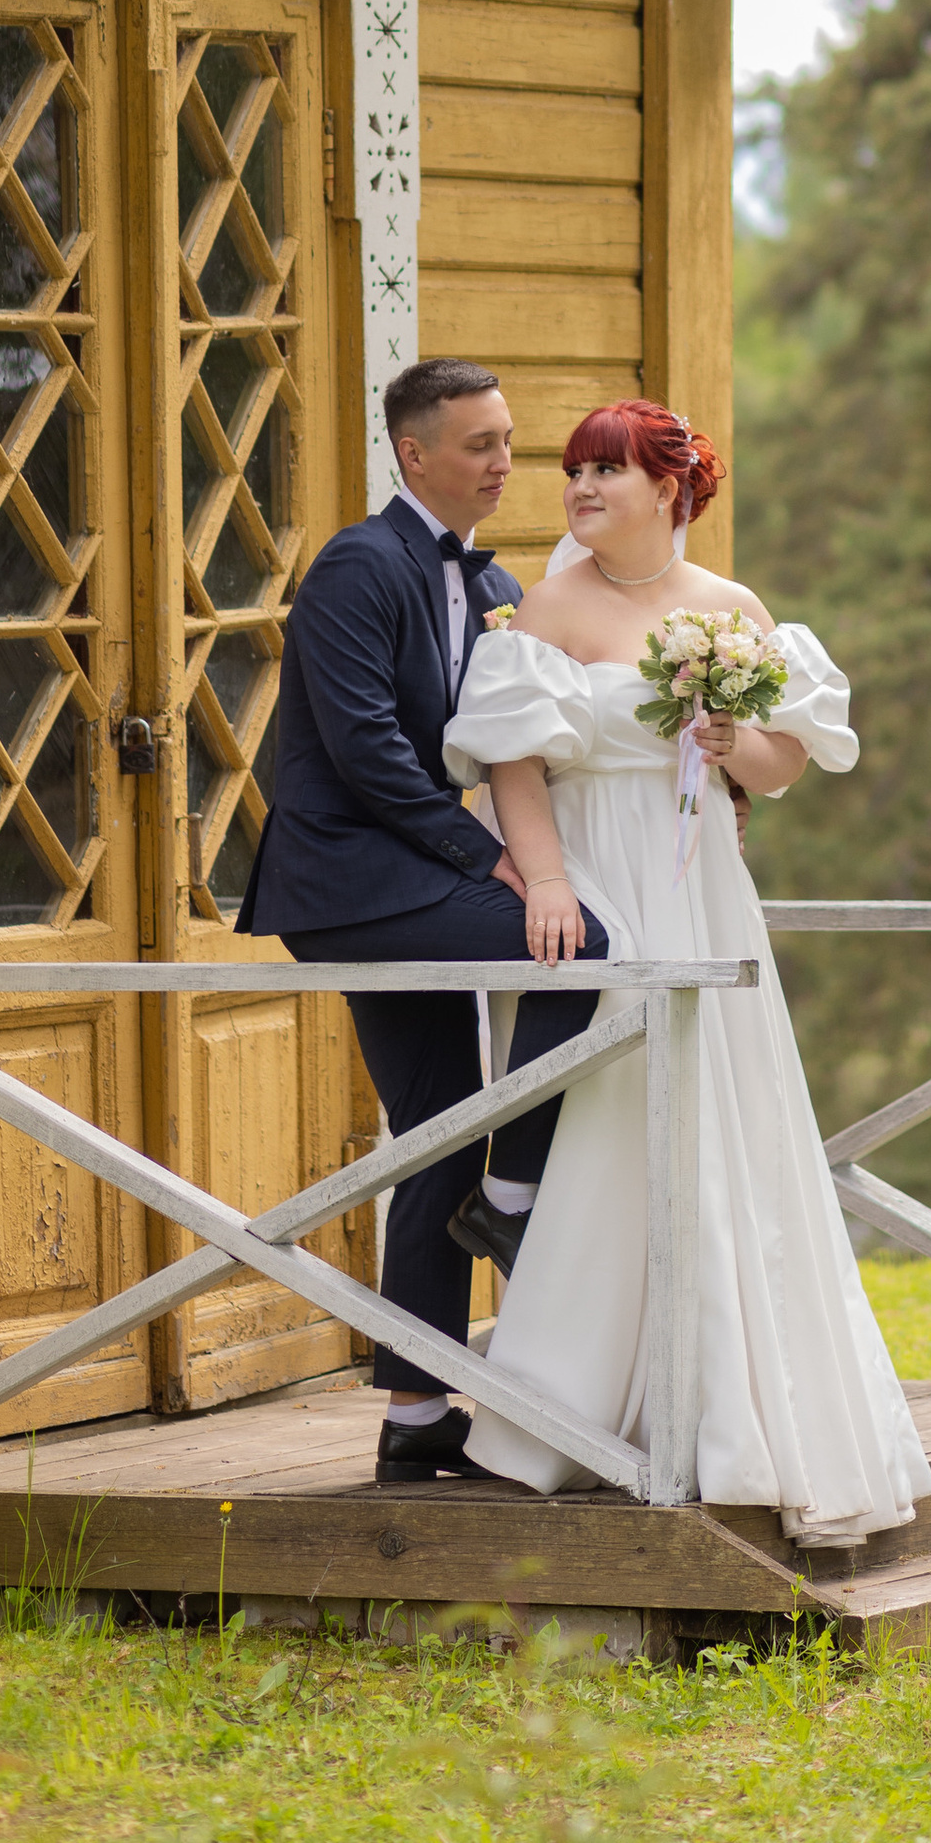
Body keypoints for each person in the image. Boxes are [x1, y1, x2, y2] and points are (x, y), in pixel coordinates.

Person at [442, 399, 931, 1544]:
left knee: (729, 1111)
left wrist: (730, 739)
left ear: (670, 487)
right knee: (612, 1116)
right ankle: (574, 1406)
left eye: (606, 470)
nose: (580, 487)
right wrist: (549, 881)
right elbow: (512, 767)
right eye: (573, 471)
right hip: (603, 887)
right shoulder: (546, 609)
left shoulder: (731, 610)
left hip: (702, 879)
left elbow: (784, 761)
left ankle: (739, 1408)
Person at [236, 356, 609, 1483]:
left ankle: (412, 1415)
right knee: (582, 946)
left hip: (411, 871)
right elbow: (367, 755)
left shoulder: (490, 581)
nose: (506, 461)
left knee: (437, 1121)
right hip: (347, 882)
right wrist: (492, 857)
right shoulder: (360, 566)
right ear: (415, 454)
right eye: (481, 443)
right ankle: (509, 1197)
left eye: (508, 438)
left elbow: (504, 727)